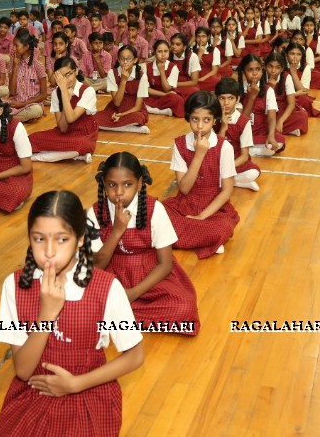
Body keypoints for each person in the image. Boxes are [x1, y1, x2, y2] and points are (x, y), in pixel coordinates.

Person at [0, 190, 144, 436]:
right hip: (35, 392)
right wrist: (47, 315)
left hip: (88, 392)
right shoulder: (15, 285)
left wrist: (75, 384)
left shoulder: (106, 288)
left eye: (61, 239)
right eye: (39, 239)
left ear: (81, 239)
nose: (49, 251)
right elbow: (23, 370)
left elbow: (135, 355)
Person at [89, 152, 199, 335]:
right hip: (111, 274)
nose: (119, 192)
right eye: (111, 185)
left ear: (139, 184)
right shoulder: (94, 213)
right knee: (83, 298)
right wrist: (116, 232)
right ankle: (118, 318)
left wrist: (133, 293)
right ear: (104, 185)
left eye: (127, 184)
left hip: (150, 273)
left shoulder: (155, 209)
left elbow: (165, 265)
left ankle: (117, 319)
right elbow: (97, 265)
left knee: (183, 307)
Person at [161, 92, 239, 258]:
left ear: (215, 120)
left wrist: (202, 217)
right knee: (157, 216)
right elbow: (184, 189)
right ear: (188, 118)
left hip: (214, 206)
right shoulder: (180, 144)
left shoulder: (224, 147)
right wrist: (199, 155)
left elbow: (226, 191)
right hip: (186, 202)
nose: (200, 126)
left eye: (206, 120)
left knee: (221, 228)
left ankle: (203, 238)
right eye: (195, 119)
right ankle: (206, 240)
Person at [30, 57, 98, 163]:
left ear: (75, 71)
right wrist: (66, 96)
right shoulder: (56, 93)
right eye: (61, 77)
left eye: (68, 74)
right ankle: (78, 156)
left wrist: (65, 96)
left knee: (82, 144)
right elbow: (63, 128)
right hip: (65, 134)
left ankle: (35, 157)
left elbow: (71, 118)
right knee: (32, 138)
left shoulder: (88, 91)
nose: (65, 80)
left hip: (84, 135)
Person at [95, 45, 150, 134]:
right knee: (94, 119)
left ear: (135, 60)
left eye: (129, 59)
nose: (125, 62)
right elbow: (116, 103)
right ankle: (130, 128)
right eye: (122, 59)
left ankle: (119, 126)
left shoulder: (141, 75)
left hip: (133, 110)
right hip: (116, 109)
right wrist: (123, 81)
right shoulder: (112, 73)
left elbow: (138, 107)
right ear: (118, 60)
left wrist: (122, 115)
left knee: (138, 118)